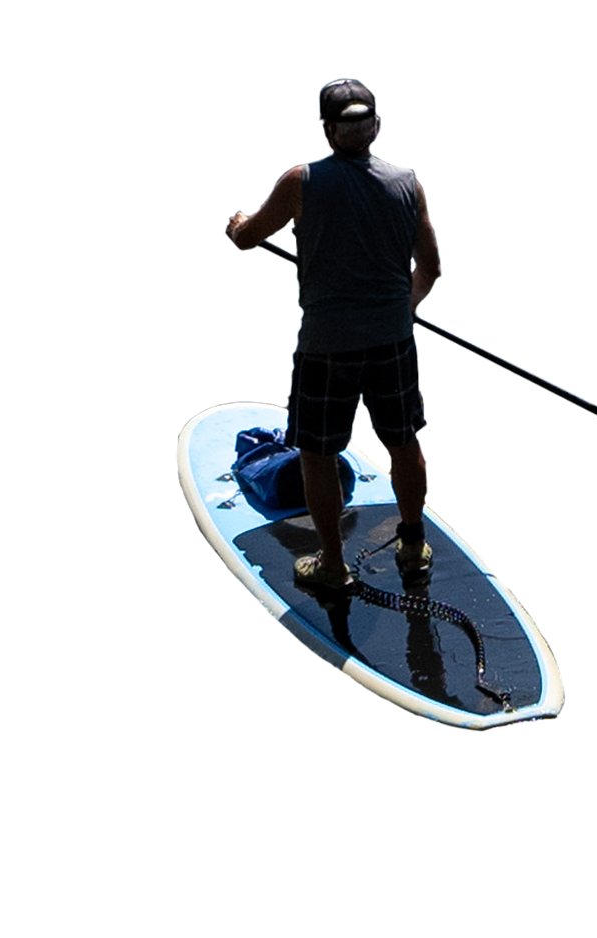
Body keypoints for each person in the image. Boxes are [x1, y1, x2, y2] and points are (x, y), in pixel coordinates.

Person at [225, 80, 441, 592]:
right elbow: (430, 268)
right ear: (375, 129)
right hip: (393, 340)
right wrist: (399, 309)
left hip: (327, 345)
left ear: (327, 132)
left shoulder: (301, 182)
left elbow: (249, 237)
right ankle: (413, 547)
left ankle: (333, 564)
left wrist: (236, 226)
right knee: (403, 442)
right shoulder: (408, 184)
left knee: (318, 455)